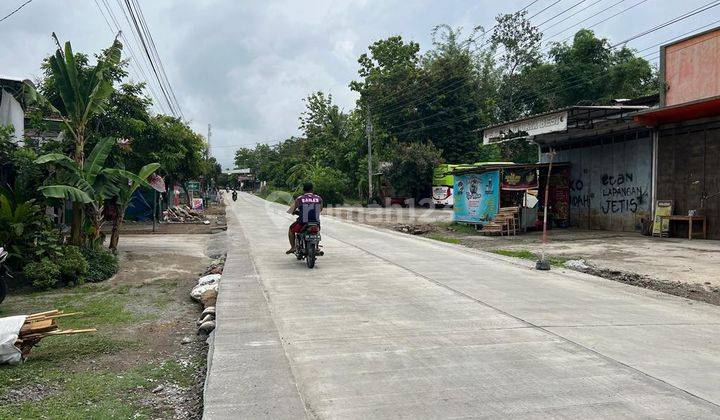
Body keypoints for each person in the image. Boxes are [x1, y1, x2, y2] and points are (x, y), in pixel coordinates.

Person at [286, 182, 323, 254]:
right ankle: (317, 247)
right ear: (312, 189)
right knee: (317, 231)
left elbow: (291, 210)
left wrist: (293, 211)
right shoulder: (319, 198)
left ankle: (293, 247)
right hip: (316, 222)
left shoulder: (300, 198)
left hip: (302, 223)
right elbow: (320, 209)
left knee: (291, 229)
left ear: (303, 190)